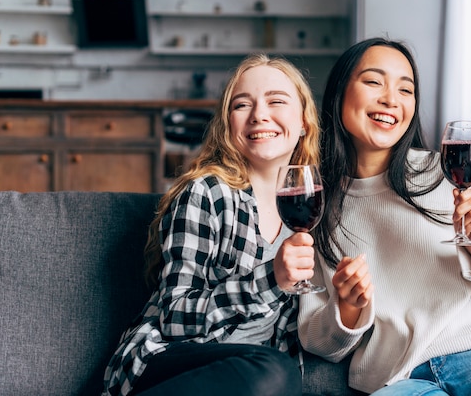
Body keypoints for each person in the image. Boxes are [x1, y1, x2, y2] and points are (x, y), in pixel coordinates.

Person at [298, 37, 471, 395]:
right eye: (374, 81)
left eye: (405, 89)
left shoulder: (448, 173)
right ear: (339, 93)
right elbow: (317, 341)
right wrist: (347, 309)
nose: (391, 99)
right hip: (400, 378)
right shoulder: (316, 205)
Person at [102, 53, 321, 396]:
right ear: (227, 125)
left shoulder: (308, 209)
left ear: (304, 121)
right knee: (274, 372)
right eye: (241, 105)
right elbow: (173, 317)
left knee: (279, 374)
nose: (259, 115)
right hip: (167, 362)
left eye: (276, 101)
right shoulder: (207, 193)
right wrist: (270, 278)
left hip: (248, 375)